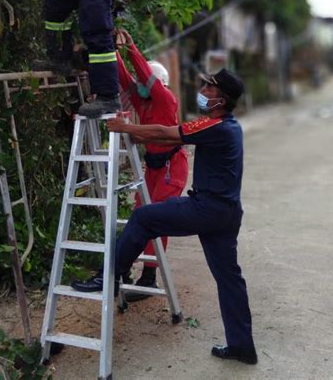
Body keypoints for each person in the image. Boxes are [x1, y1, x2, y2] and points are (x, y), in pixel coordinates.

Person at [78, 68, 257, 365]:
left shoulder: (214, 125)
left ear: (220, 99)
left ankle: (108, 276)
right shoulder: (229, 126)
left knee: (143, 218)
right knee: (229, 278)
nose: (202, 89)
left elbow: (167, 133)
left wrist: (127, 129)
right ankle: (242, 346)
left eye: (208, 88)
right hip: (226, 212)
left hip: (207, 209)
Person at [72, 29, 189, 301]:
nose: (140, 84)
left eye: (146, 81)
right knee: (139, 213)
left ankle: (149, 276)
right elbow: (126, 80)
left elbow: (145, 77)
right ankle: (121, 269)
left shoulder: (165, 99)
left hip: (172, 166)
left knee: (157, 220)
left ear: (158, 83)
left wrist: (132, 47)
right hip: (153, 166)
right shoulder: (143, 98)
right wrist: (112, 49)